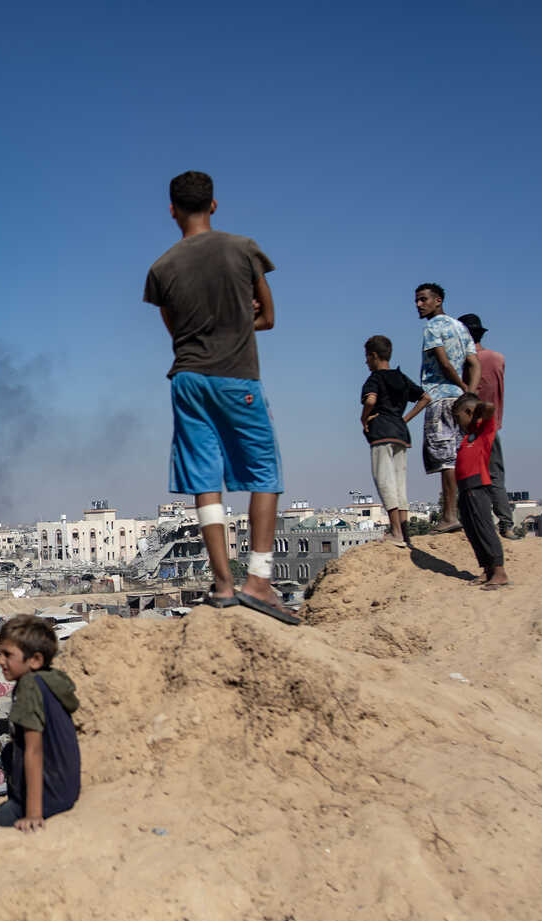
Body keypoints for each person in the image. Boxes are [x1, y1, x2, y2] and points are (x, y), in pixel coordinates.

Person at [143, 170, 298, 625]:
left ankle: (224, 585)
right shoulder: (243, 249)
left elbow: (177, 333)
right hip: (236, 376)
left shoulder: (162, 268)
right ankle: (260, 582)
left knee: (204, 481)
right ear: (214, 205)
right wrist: (238, 316)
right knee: (264, 475)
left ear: (172, 210)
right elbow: (268, 317)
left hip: (188, 380)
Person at [0, 616, 80, 842]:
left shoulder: (29, 687)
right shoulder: (53, 681)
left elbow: (34, 750)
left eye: (8, 655)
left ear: (35, 660)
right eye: (0, 653)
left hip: (44, 798)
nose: (0, 661)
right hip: (64, 790)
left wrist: (32, 813)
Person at [415, 284, 480, 533]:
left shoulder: (433, 327)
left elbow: (443, 363)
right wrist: (470, 392)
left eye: (423, 300)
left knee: (445, 460)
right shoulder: (460, 327)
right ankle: (464, 513)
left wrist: (461, 386)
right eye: (417, 301)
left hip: (441, 398)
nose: (419, 305)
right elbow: (474, 362)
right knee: (459, 456)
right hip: (459, 403)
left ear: (437, 301)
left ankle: (449, 516)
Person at [360, 336, 428, 547]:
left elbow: (371, 400)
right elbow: (425, 397)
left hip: (381, 433)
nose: (366, 362)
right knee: (400, 483)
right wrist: (404, 419)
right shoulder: (400, 377)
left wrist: (364, 419)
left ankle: (396, 532)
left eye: (366, 358)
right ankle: (405, 533)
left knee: (385, 481)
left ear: (373, 356)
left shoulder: (374, 379)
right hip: (401, 434)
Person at [459, 314, 514, 538]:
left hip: (472, 429)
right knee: (496, 477)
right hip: (493, 425)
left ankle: (479, 525)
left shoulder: (466, 363)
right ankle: (507, 524)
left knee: (471, 480)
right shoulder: (498, 358)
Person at [451, 393, 510, 589]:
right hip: (465, 488)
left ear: (469, 412)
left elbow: (490, 408)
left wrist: (476, 413)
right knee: (472, 529)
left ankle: (499, 572)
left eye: (459, 418)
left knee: (483, 528)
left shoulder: (485, 430)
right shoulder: (469, 436)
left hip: (477, 486)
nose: (458, 423)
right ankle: (487, 569)